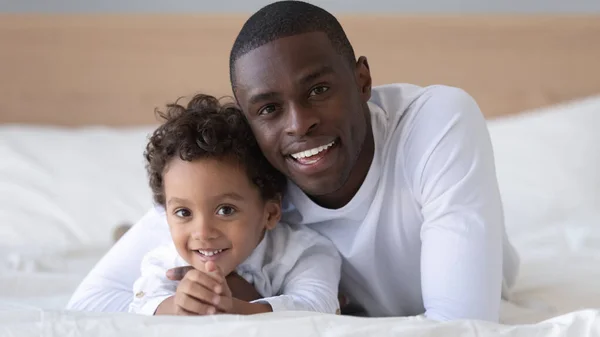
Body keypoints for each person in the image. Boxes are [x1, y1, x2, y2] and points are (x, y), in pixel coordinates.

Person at [67, 1, 519, 322]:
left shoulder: (435, 122)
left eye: (319, 90)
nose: (299, 125)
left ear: (362, 79)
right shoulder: (249, 172)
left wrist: (252, 308)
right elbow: (88, 304)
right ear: (248, 121)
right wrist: (177, 305)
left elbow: (464, 325)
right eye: (268, 109)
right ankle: (132, 233)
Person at [126, 94, 341, 315]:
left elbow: (317, 306)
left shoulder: (305, 252)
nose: (202, 232)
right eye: (183, 212)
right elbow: (140, 306)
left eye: (225, 210)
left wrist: (232, 308)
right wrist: (175, 307)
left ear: (270, 213)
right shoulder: (165, 261)